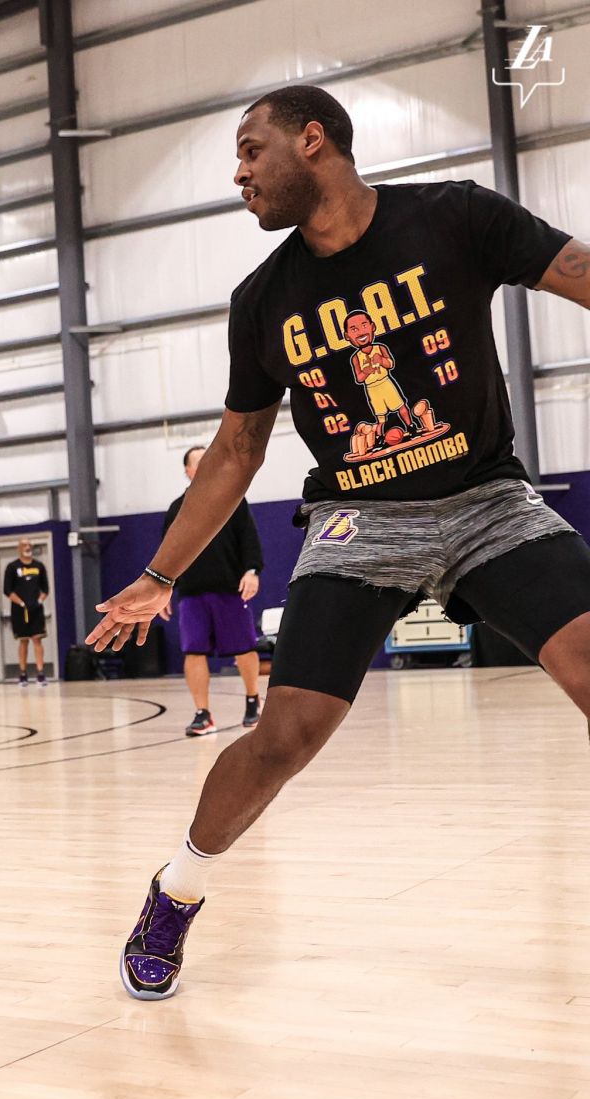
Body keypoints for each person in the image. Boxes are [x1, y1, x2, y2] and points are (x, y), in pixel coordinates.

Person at [86, 85, 590, 1002]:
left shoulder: (455, 217)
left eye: (251, 151)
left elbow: (579, 270)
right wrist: (159, 575)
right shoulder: (263, 299)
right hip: (358, 520)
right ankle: (177, 889)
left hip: (486, 499)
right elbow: (237, 451)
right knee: (286, 735)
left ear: (312, 141)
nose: (239, 174)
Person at [162, 445, 264, 735]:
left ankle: (253, 701)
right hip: (192, 592)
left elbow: (249, 540)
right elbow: (167, 553)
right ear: (188, 471)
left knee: (244, 648)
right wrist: (163, 586)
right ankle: (202, 714)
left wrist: (252, 571)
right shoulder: (176, 509)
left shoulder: (234, 499)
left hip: (230, 589)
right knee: (193, 651)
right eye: (199, 462)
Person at [3, 537, 50, 685]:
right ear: (19, 548)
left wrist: (39, 601)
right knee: (23, 641)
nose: (27, 547)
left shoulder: (39, 566)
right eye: (24, 545)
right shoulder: (12, 567)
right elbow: (7, 590)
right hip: (20, 610)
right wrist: (21, 603)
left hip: (36, 609)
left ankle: (40, 673)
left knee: (37, 639)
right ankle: (23, 673)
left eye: (29, 545)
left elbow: (45, 589)